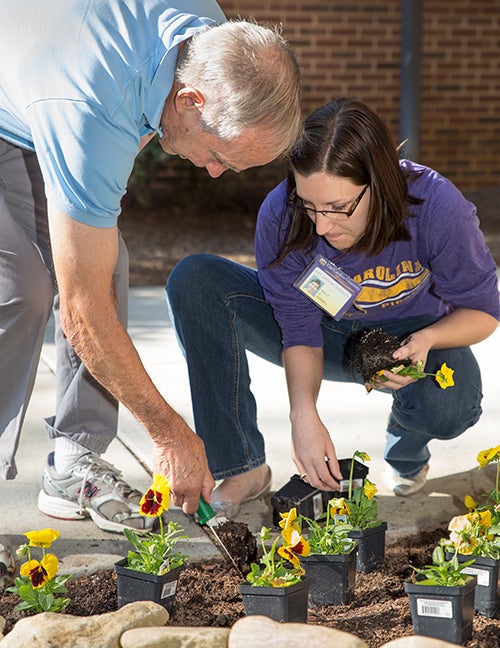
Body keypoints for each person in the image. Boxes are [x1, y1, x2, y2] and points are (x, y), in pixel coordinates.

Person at [0, 0, 302, 534]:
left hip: (46, 87)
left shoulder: (206, 33)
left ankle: (73, 464)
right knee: (19, 289)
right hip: (37, 93)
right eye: (219, 155)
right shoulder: (91, 105)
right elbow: (81, 312)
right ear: (189, 100)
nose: (213, 173)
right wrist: (169, 435)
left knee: (106, 269)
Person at [166, 97, 500, 517]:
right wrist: (302, 414)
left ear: (378, 183)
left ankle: (406, 441)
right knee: (196, 280)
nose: (321, 226)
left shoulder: (435, 206)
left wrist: (429, 338)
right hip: (323, 331)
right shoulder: (283, 215)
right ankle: (242, 466)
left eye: (338, 208)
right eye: (309, 204)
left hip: (412, 335)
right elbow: (298, 328)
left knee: (452, 408)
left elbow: (484, 311)